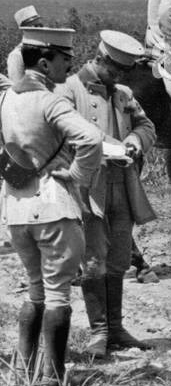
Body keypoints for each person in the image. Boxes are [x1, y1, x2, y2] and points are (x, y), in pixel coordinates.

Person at [1, 26, 103, 386]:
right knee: (58, 294)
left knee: (34, 290)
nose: (69, 67)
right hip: (54, 209)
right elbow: (91, 139)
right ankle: (53, 377)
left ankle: (23, 373)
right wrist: (77, 175)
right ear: (44, 62)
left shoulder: (6, 99)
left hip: (16, 210)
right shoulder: (50, 101)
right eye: (65, 60)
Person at [57, 31, 157, 359]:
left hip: (122, 185)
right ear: (99, 60)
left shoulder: (123, 93)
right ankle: (99, 331)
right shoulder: (68, 90)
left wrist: (134, 142)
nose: (117, 79)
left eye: (121, 74)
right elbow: (60, 136)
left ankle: (116, 328)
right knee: (93, 260)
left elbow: (146, 126)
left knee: (118, 259)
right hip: (87, 189)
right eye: (113, 72)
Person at [5, 6, 43, 88]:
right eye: (35, 26)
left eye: (40, 25)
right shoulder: (17, 55)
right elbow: (17, 86)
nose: (39, 29)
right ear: (24, 29)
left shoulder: (45, 50)